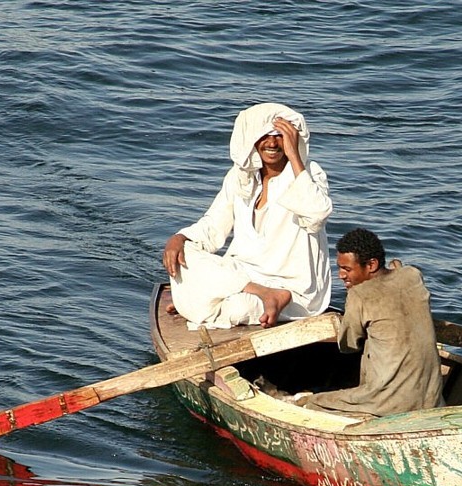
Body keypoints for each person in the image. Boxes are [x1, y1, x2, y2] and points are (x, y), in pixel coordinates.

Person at [163, 102, 332, 329]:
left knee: (237, 309)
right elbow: (213, 226)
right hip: (248, 278)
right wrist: (179, 238)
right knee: (186, 254)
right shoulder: (239, 176)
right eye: (264, 135)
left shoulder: (308, 173)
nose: (272, 143)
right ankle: (256, 294)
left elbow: (317, 214)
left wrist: (294, 156)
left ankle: (202, 300)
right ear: (251, 138)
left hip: (293, 291)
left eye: (280, 135)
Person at [303, 228, 446, 418]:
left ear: (371, 265)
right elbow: (398, 277)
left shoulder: (359, 295)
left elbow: (348, 345)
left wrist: (353, 302)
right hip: (432, 398)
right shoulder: (412, 275)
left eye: (347, 269)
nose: (341, 276)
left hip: (390, 401)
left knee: (313, 403)